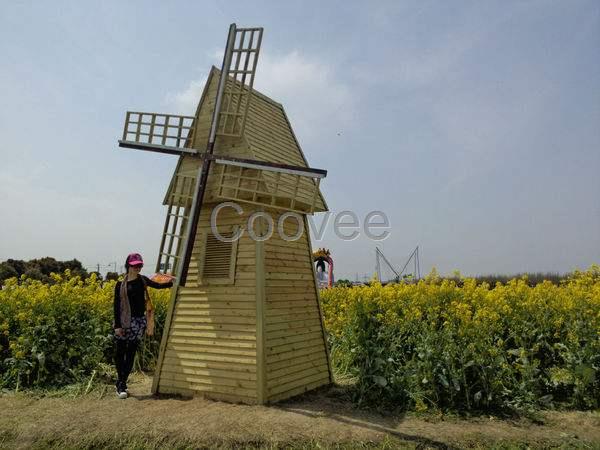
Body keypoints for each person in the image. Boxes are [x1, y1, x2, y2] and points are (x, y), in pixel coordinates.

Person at [113, 252, 173, 399]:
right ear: (128, 266)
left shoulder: (143, 280)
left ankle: (122, 383)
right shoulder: (120, 285)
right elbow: (116, 306)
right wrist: (118, 326)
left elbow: (158, 286)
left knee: (131, 352)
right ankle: (120, 381)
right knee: (120, 353)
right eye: (135, 266)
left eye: (140, 265)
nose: (137, 268)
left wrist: (173, 281)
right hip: (123, 322)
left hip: (138, 322)